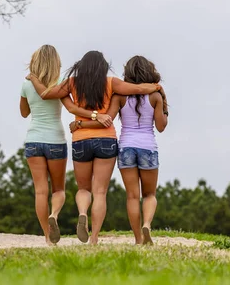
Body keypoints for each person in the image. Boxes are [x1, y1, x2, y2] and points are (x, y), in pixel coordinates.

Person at [28, 51, 159, 245]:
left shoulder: (72, 83)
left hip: (80, 139)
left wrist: (32, 77)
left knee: (83, 189)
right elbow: (138, 89)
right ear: (103, 67)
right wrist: (157, 87)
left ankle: (83, 213)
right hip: (106, 140)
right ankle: (94, 238)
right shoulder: (111, 83)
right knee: (100, 192)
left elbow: (46, 94)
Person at [20, 45, 112, 245]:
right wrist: (95, 115)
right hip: (55, 139)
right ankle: (54, 213)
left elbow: (24, 113)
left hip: (33, 139)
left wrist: (32, 86)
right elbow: (70, 107)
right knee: (58, 190)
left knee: (40, 191)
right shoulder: (61, 83)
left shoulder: (26, 85)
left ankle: (47, 237)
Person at [70, 56, 168, 245]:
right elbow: (161, 126)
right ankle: (146, 225)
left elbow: (106, 120)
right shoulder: (155, 96)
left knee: (132, 196)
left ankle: (138, 239)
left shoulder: (120, 96)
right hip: (148, 147)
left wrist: (80, 123)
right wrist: (164, 106)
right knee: (149, 194)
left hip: (125, 148)